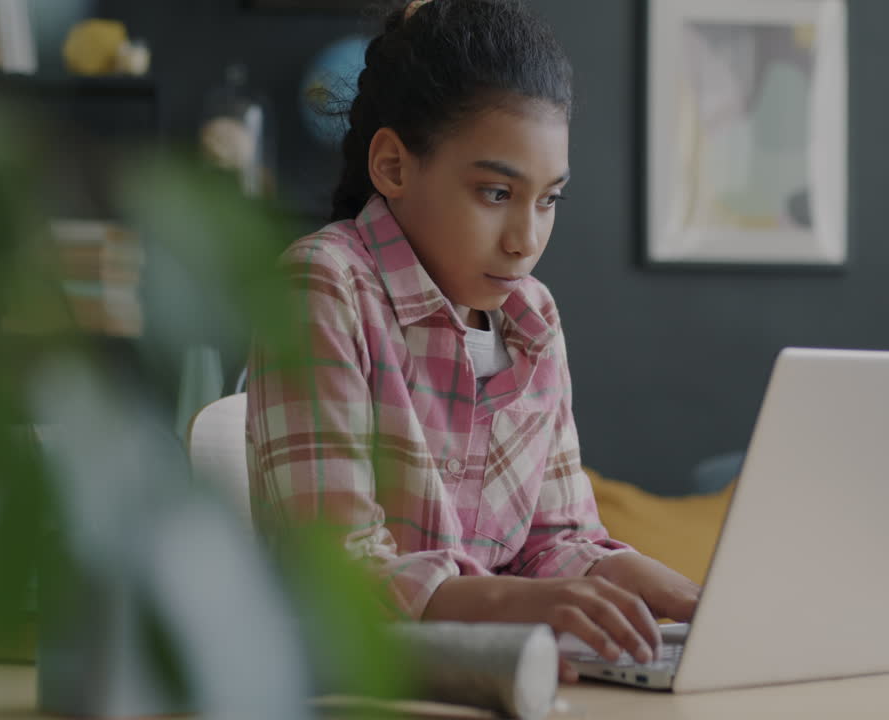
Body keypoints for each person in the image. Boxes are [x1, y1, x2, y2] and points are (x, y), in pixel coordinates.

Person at [246, 0, 698, 682]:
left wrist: (690, 597)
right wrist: (520, 602)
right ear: (394, 166)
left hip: (497, 681)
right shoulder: (323, 286)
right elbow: (336, 574)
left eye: (548, 200)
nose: (526, 240)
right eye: (495, 193)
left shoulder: (533, 320)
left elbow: (557, 541)